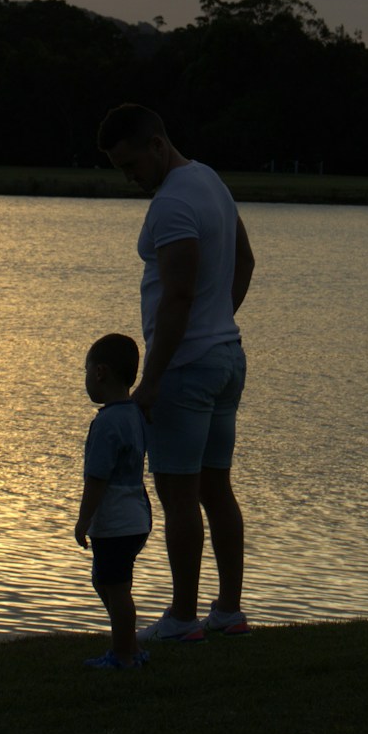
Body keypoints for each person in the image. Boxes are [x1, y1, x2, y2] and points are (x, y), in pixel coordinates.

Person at [95, 103, 254, 643]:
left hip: (186, 369)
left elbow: (179, 294)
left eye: (131, 164)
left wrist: (153, 380)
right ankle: (228, 612)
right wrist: (220, 323)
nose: (129, 177)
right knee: (217, 490)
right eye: (120, 169)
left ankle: (184, 619)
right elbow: (246, 261)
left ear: (157, 145)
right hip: (226, 358)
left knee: (180, 497)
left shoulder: (172, 204)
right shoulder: (209, 180)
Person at [75, 331, 152, 669]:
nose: (87, 379)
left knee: (116, 587)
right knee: (108, 581)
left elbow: (97, 478)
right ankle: (129, 646)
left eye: (87, 371)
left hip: (117, 521)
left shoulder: (107, 423)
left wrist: (83, 519)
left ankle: (123, 655)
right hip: (136, 516)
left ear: (101, 372)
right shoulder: (134, 413)